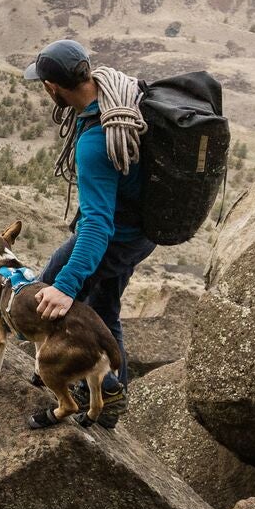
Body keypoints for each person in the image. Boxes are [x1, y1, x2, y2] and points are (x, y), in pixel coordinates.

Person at [24, 38, 154, 426]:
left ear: (53, 87)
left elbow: (97, 226)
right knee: (104, 310)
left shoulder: (97, 141)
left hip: (117, 236)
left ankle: (92, 385)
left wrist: (66, 287)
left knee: (45, 293)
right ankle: (111, 406)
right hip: (142, 231)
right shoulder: (123, 96)